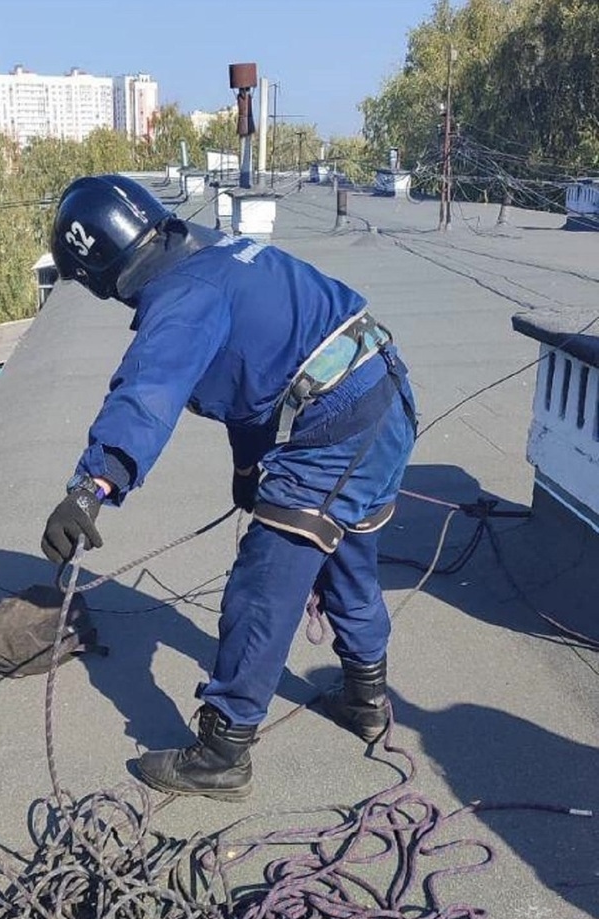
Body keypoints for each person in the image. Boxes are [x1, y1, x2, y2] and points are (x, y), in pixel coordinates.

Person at [41, 174, 417, 801]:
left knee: (263, 585)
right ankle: (366, 699)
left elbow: (147, 392)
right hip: (382, 395)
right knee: (346, 559)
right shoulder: (214, 250)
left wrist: (91, 487)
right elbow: (256, 383)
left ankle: (222, 752)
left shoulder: (181, 298)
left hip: (336, 427)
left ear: (98, 270)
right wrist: (248, 470)